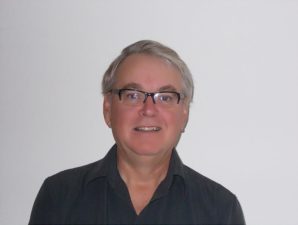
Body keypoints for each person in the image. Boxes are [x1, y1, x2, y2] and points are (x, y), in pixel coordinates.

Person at [29, 40, 246, 224]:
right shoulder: (59, 197)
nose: (149, 109)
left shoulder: (220, 210)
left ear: (184, 114)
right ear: (108, 110)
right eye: (133, 95)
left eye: (166, 97)